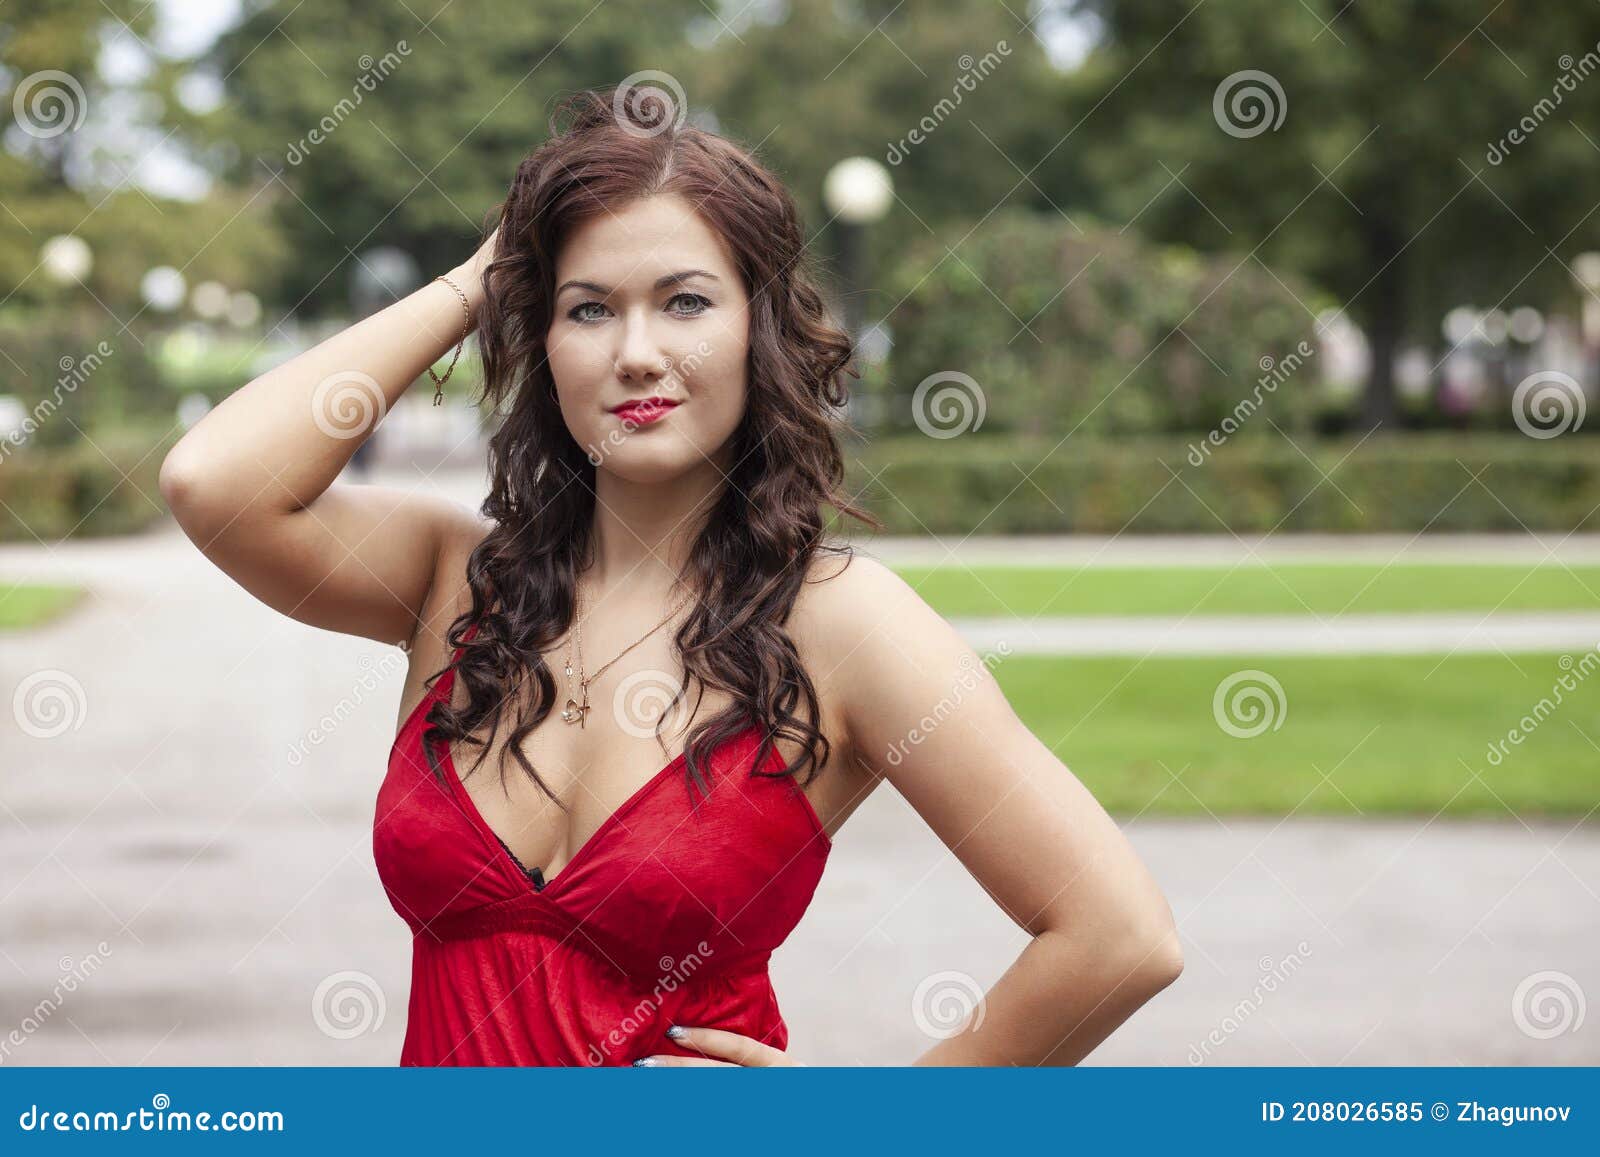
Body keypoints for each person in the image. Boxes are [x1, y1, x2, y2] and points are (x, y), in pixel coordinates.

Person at [157, 86, 1181, 1067]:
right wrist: (482, 278)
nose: (636, 352)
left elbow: (1116, 933)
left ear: (758, 327)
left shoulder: (841, 623)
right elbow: (213, 482)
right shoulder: (454, 578)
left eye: (684, 301)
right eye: (589, 309)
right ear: (542, 336)